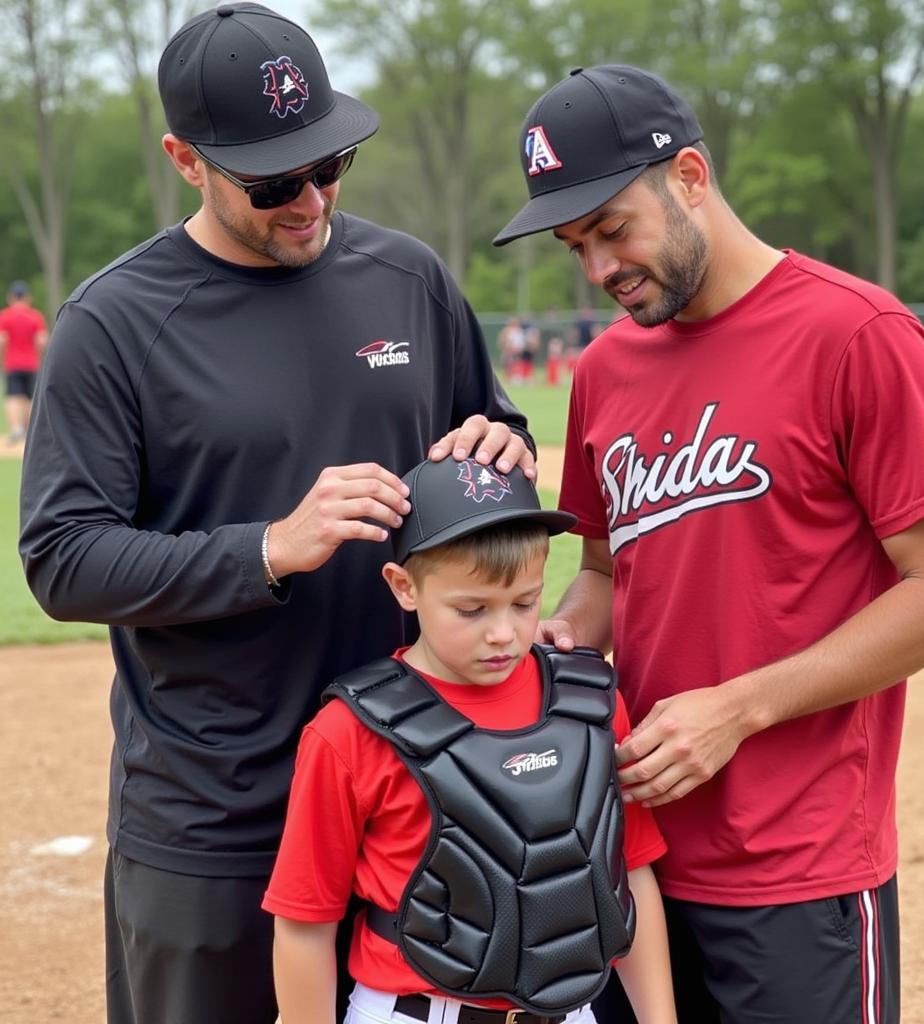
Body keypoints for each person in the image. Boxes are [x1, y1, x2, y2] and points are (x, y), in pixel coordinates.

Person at [18, 5, 536, 1023]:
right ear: (184, 160)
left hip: (416, 779)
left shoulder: (409, 280)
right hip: (222, 813)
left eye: (328, 164)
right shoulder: (113, 325)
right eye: (272, 182)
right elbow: (63, 557)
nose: (310, 199)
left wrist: (501, 450)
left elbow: (492, 427)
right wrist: (266, 549)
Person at [493, 64, 924, 1024]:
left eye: (612, 230)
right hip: (633, 853)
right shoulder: (605, 370)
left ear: (688, 175)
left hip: (799, 865)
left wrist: (739, 709)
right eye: (575, 246)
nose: (598, 268)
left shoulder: (856, 333)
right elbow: (605, 569)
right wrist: (560, 635)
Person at [263, 454, 676, 1024]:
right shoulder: (351, 731)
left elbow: (625, 874)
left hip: (570, 1008)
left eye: (525, 603)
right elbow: (307, 918)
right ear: (404, 586)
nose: (503, 633)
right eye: (471, 608)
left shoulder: (588, 705)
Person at [0, 280, 47, 444]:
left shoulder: (5, 315)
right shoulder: (35, 316)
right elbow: (41, 341)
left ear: (11, 297)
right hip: (31, 363)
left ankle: (16, 428)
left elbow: (2, 340)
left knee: (13, 396)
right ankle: (28, 431)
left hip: (12, 363)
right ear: (27, 297)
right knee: (29, 397)